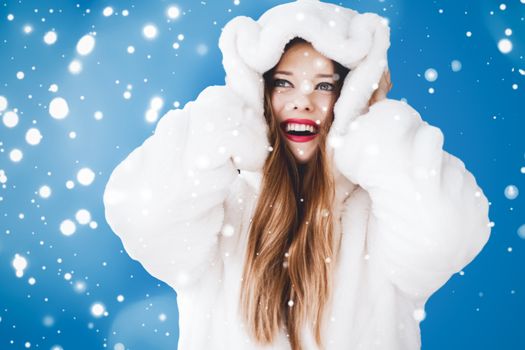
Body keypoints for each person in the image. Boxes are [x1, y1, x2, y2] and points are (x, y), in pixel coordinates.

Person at [103, 1, 491, 349]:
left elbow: (445, 235)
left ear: (349, 97)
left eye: (324, 86)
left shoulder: (383, 212)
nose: (302, 101)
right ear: (260, 94)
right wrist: (222, 123)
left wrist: (378, 127)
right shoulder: (218, 207)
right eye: (283, 83)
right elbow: (144, 217)